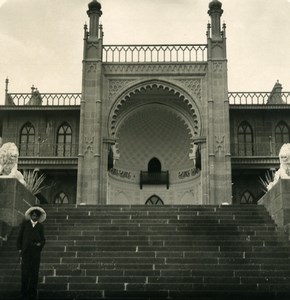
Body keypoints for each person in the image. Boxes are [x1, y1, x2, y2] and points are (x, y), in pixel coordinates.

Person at [17, 206, 46, 300]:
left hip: (35, 254)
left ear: (38, 217)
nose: (34, 217)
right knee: (25, 273)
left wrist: (39, 244)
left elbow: (43, 240)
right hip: (26, 252)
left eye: (36, 216)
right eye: (33, 215)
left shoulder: (40, 227)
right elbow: (20, 237)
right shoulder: (25, 224)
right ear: (30, 216)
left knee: (34, 273)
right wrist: (20, 249)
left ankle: (32, 292)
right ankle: (23, 292)